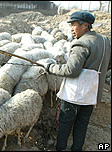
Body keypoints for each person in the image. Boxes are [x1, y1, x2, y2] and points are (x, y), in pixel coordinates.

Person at [42, 11, 111, 151]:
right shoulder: (105, 41)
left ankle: (60, 148)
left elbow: (71, 70)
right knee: (82, 124)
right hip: (92, 93)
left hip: (75, 95)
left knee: (65, 123)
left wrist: (50, 67)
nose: (71, 29)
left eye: (74, 25)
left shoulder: (81, 44)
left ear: (85, 25)